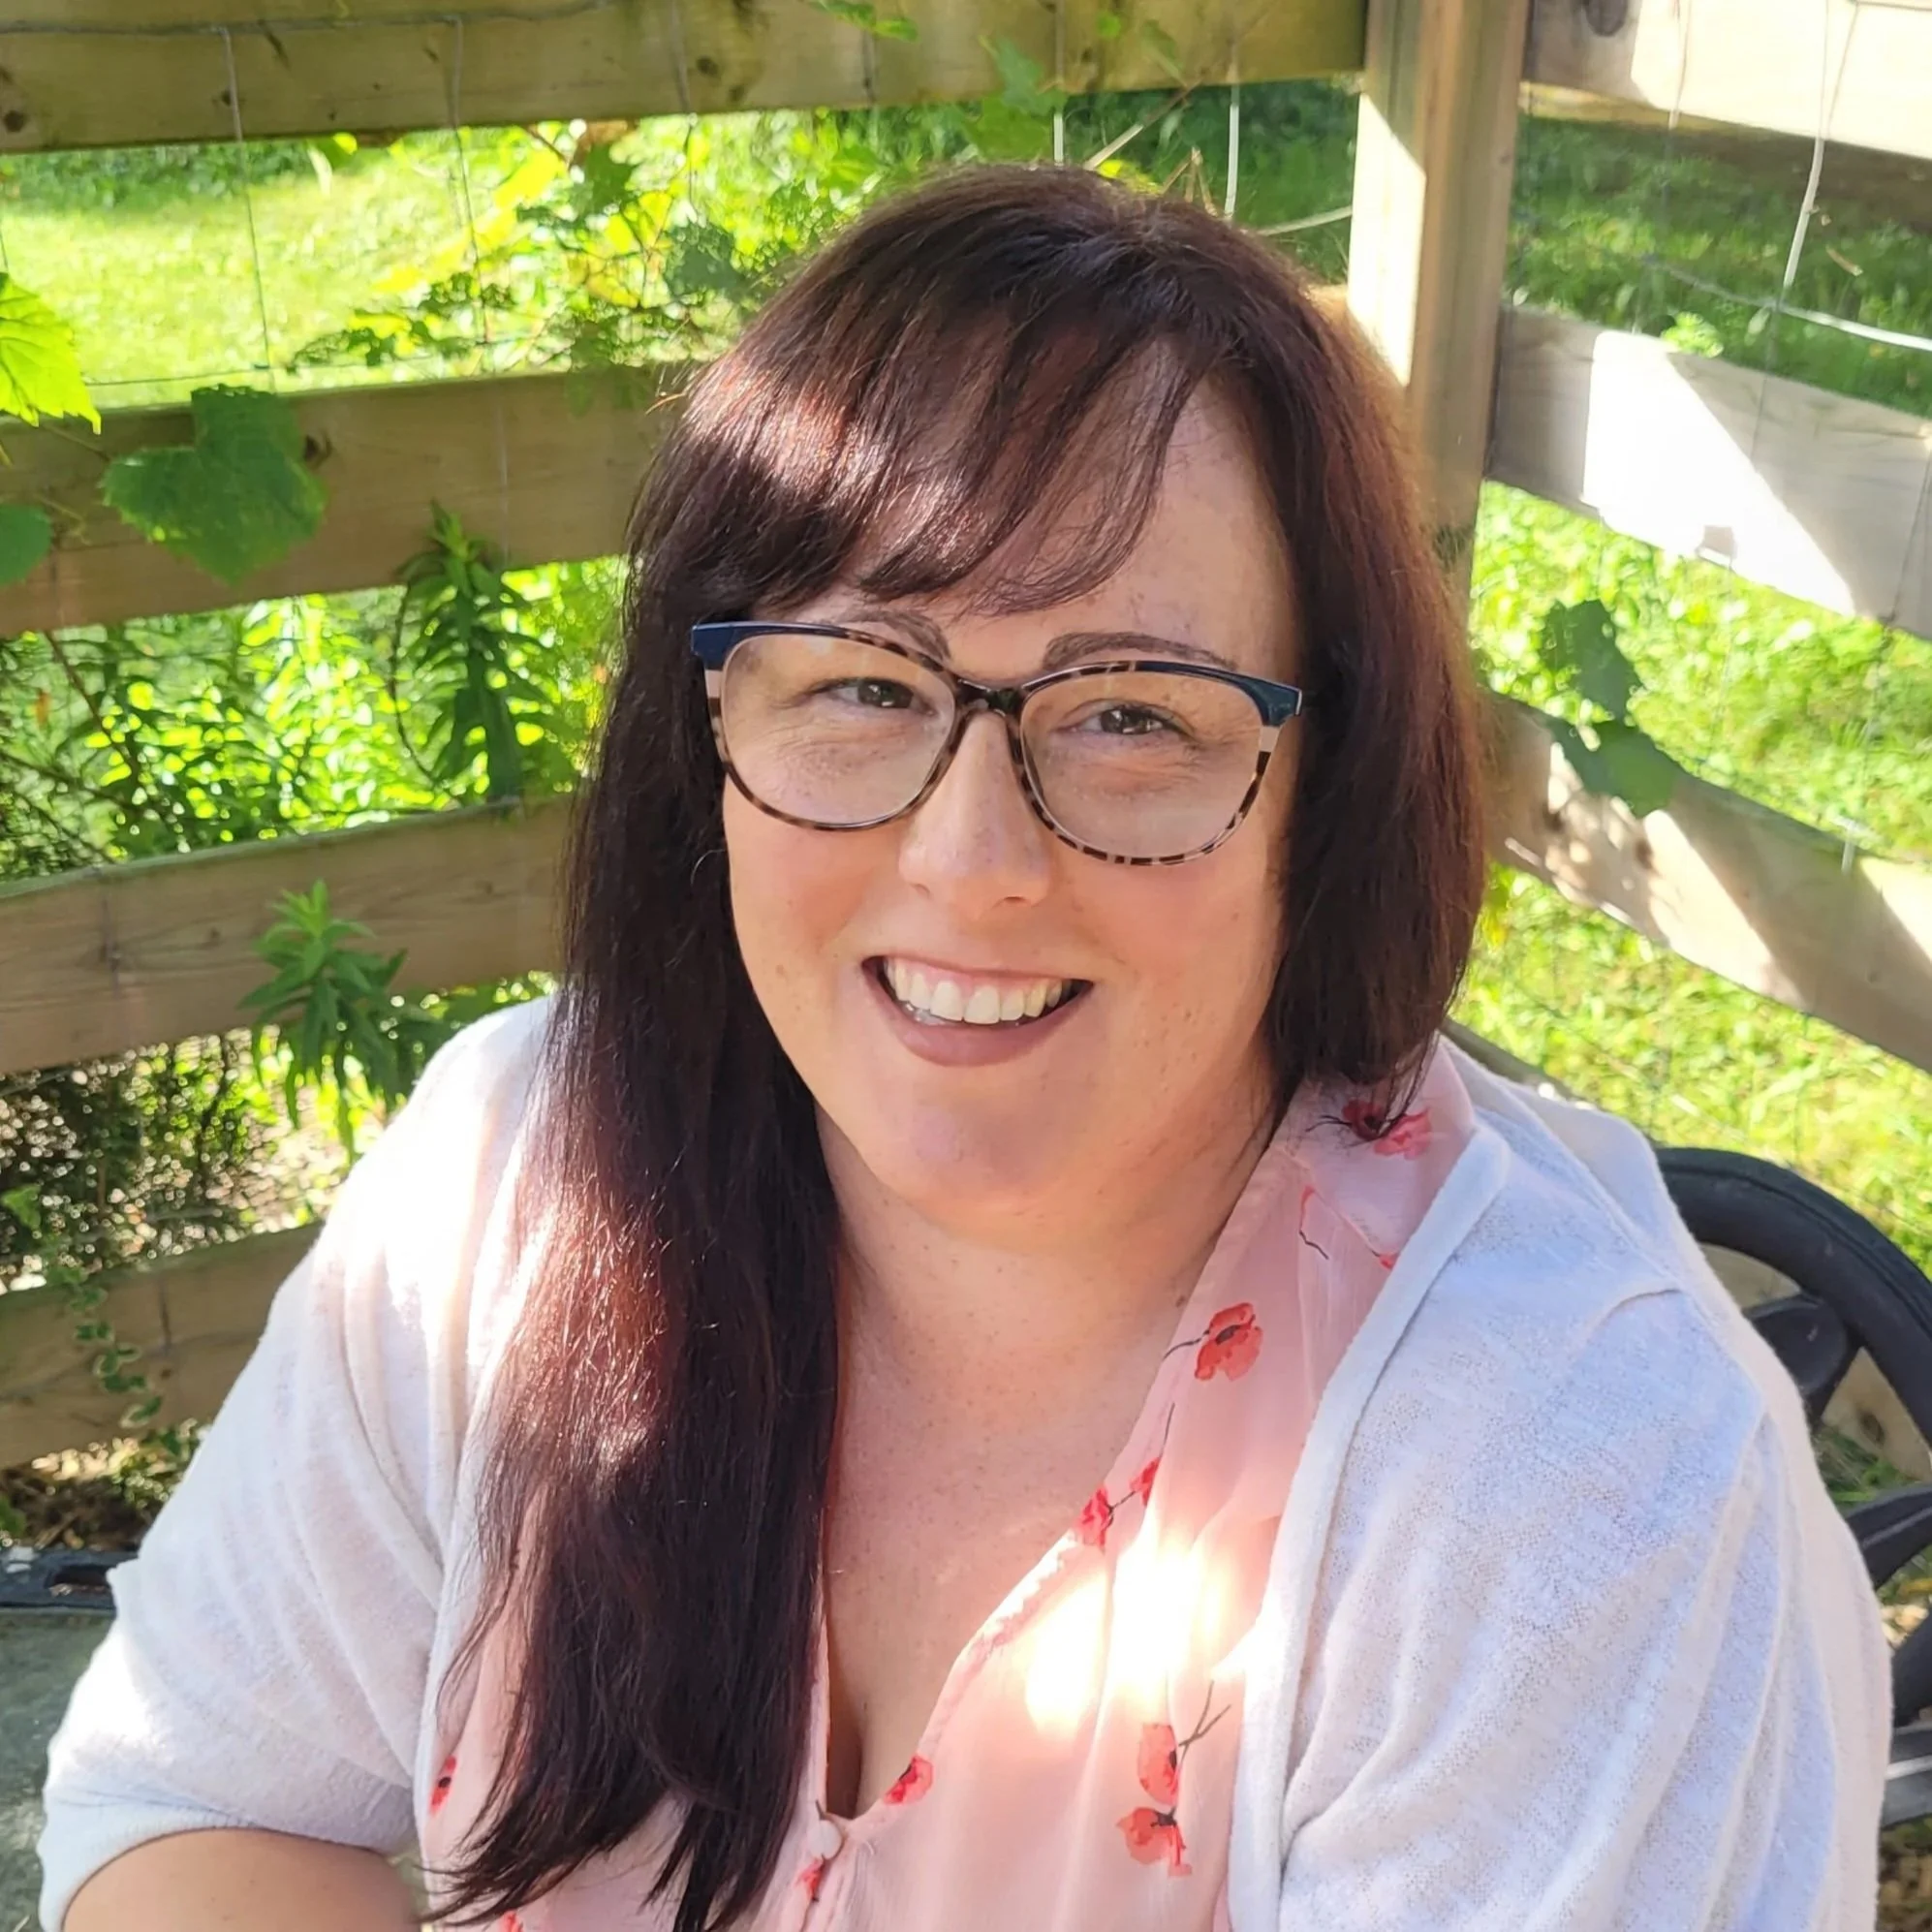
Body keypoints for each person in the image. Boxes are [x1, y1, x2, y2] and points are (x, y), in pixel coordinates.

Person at [42, 164, 1886, 1932]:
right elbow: (203, 1795)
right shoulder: (508, 1191)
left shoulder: (1559, 1479)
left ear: (1320, 794)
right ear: (706, 738)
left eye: (1130, 716)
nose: (968, 862)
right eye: (859, 682)